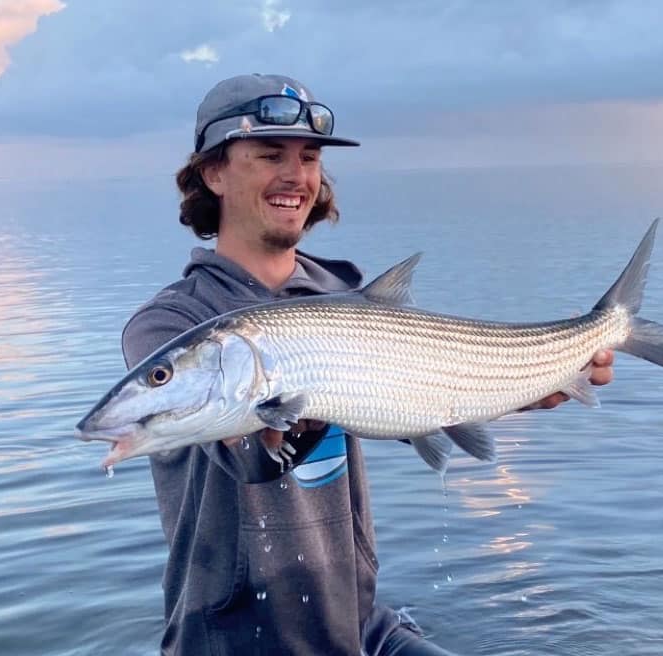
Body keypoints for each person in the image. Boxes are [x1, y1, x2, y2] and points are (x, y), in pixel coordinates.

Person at [121, 73, 615, 656]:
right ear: (214, 173)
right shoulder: (171, 327)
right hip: (233, 636)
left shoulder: (342, 293)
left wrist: (515, 384)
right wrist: (291, 401)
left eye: (308, 158)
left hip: (355, 623)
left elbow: (408, 405)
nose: (295, 176)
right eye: (269, 154)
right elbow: (246, 462)